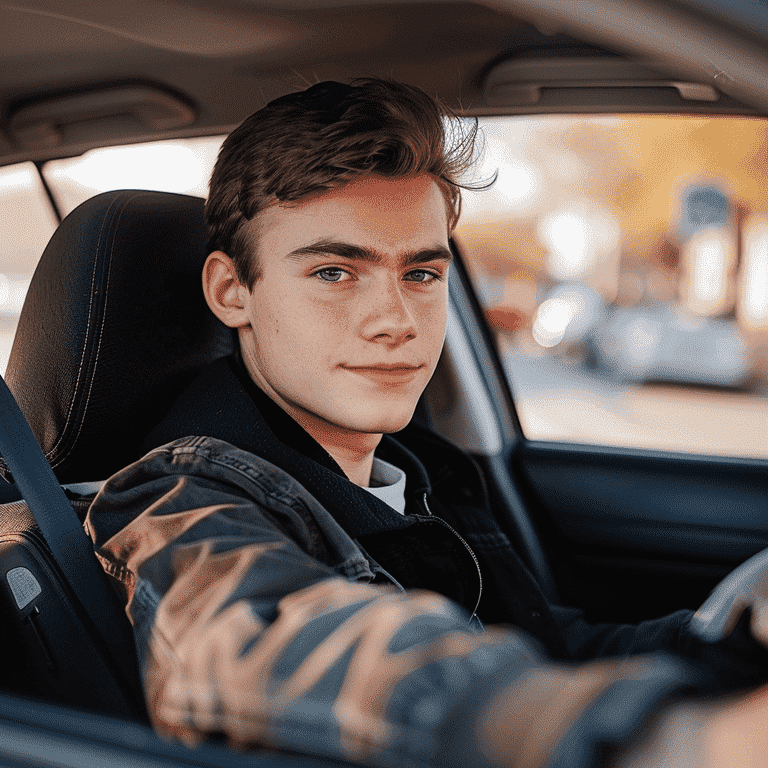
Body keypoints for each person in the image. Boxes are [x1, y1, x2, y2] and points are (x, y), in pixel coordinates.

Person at [85, 78, 768, 768]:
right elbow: (254, 647)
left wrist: (729, 641)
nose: (396, 321)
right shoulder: (175, 499)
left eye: (420, 275)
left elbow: (541, 644)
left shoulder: (420, 471)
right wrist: (667, 739)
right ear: (233, 291)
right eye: (333, 272)